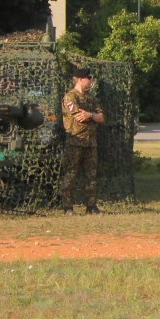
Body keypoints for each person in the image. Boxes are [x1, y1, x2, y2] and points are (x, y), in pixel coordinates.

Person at [58, 66, 105, 215]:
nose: (91, 80)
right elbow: (77, 115)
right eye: (89, 78)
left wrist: (90, 115)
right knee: (70, 175)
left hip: (90, 143)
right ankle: (68, 207)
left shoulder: (92, 98)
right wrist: (91, 116)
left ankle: (91, 206)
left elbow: (101, 117)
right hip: (75, 142)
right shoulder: (70, 97)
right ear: (81, 79)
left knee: (91, 176)